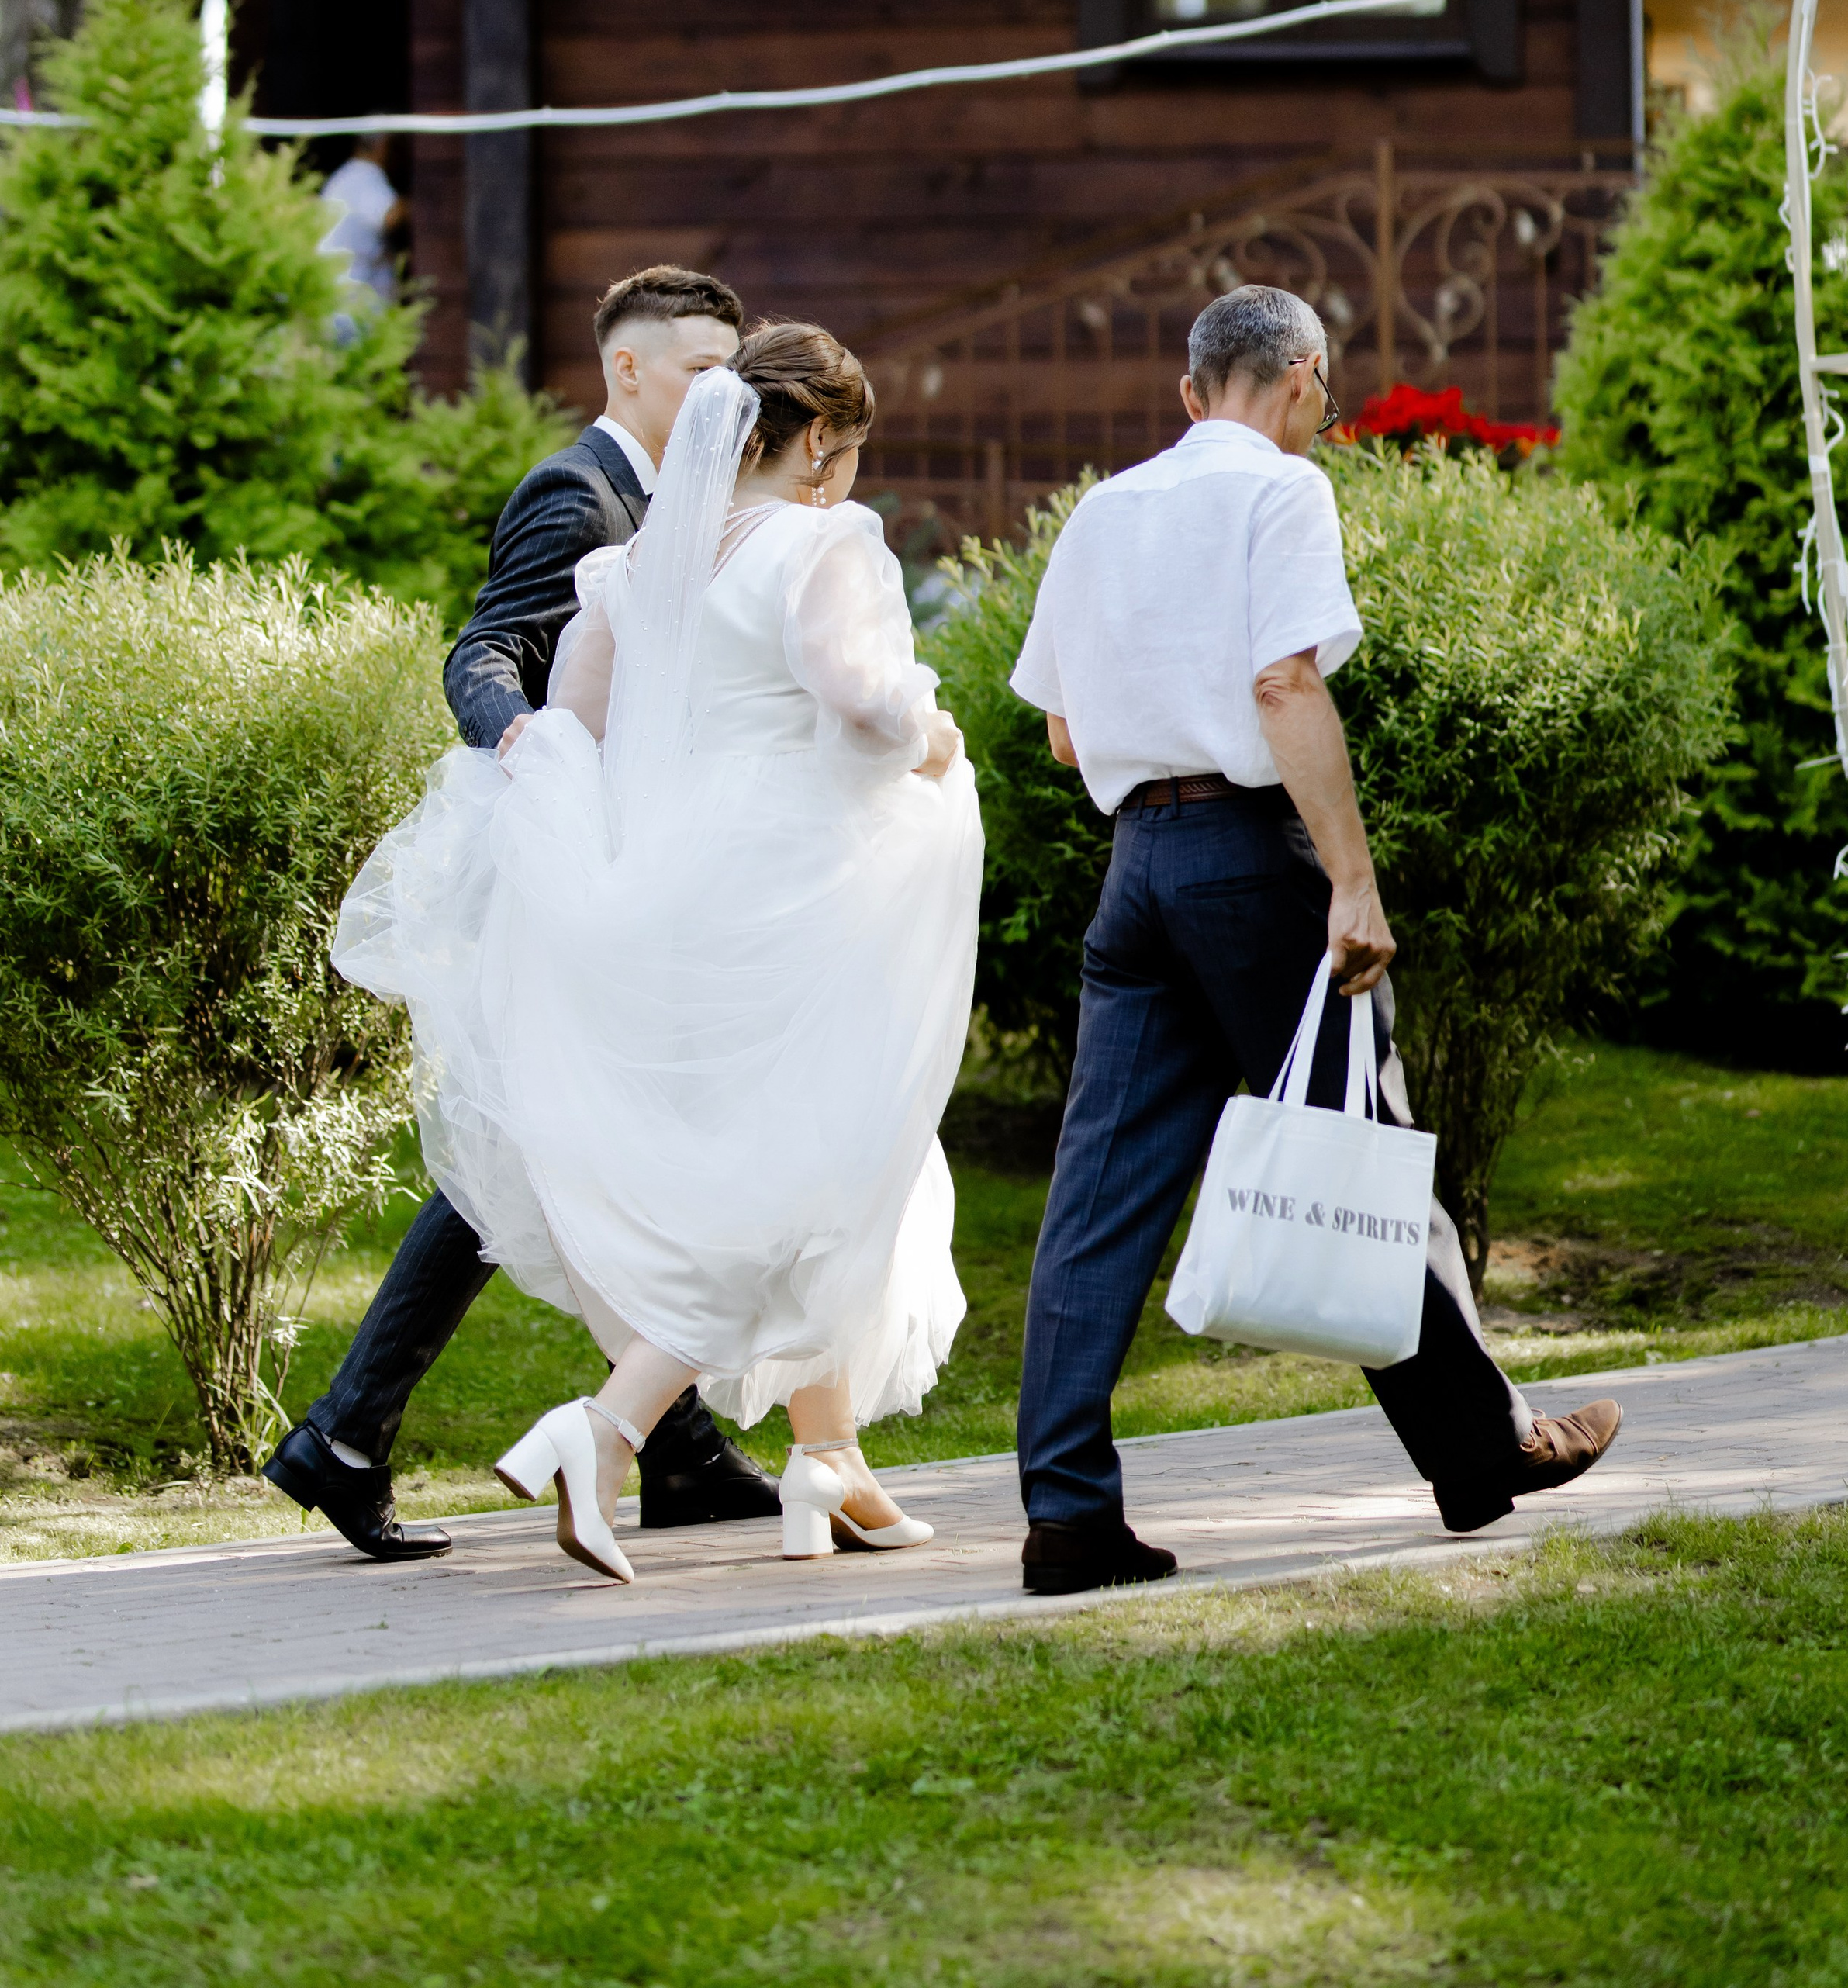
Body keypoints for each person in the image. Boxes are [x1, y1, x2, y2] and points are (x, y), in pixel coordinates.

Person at [333, 323, 983, 1584]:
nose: (845, 479)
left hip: (677, 897)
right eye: (845, 453)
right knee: (805, 1173)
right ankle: (605, 1430)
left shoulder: (635, 577)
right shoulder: (822, 543)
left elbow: (570, 730)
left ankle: (828, 1460)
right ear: (813, 448)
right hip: (801, 895)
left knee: (806, 1158)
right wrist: (935, 734)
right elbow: (859, 699)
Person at [1007, 282, 1621, 1596]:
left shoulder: (1104, 511)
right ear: (1301, 380)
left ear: (1189, 394)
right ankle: (1483, 1453)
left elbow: (1063, 734)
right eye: (1323, 400)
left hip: (1136, 871)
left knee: (1096, 1198)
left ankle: (1067, 1513)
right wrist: (1350, 876)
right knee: (1368, 1150)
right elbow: (1285, 682)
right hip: (1247, 860)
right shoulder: (1282, 493)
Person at [265, 264, 781, 1558]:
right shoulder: (579, 491)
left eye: (735, 367)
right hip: (566, 870)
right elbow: (484, 650)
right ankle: (362, 1437)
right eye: (700, 368)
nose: (724, 391)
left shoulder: (688, 504)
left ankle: (641, 1448)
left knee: (553, 1154)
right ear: (629, 371)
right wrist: (534, 752)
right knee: (534, 1153)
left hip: (635, 877)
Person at [320, 137, 407, 313]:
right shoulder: (365, 174)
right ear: (383, 146)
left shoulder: (347, 175)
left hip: (340, 287)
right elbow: (389, 216)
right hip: (353, 292)